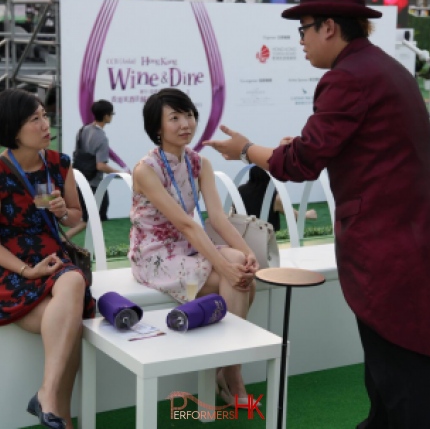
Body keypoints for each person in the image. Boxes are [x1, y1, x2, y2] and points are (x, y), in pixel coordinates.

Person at [204, 0, 430, 427]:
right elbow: (354, 148)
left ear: (329, 27)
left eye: (303, 28)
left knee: (402, 388)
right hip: (408, 245)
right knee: (390, 388)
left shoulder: (346, 78)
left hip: (388, 256)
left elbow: (300, 163)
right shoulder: (383, 68)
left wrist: (247, 151)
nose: (301, 40)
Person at [129, 88, 259, 405]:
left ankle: (226, 369)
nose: (186, 123)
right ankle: (233, 377)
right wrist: (227, 266)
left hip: (190, 247)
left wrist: (248, 253)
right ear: (158, 128)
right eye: (175, 117)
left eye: (188, 115)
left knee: (240, 268)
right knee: (235, 279)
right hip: (155, 255)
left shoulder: (200, 163)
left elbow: (217, 218)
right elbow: (186, 223)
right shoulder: (146, 169)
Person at [0, 89, 95, 429]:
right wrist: (27, 270)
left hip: (53, 258)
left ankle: (48, 397)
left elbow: (75, 216)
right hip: (12, 265)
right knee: (69, 316)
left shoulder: (58, 164)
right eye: (34, 119)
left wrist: (62, 211)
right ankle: (58, 412)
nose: (45, 124)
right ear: (13, 130)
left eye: (44, 115)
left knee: (71, 283)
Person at [67, 99, 122, 238]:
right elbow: (100, 165)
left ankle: (72, 243)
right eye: (111, 114)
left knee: (90, 219)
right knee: (91, 219)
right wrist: (120, 173)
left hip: (79, 178)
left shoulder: (83, 130)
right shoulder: (101, 138)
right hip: (94, 184)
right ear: (106, 116)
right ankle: (63, 240)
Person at [237, 165, 317, 231]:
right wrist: (307, 214)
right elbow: (293, 215)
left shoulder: (240, 190)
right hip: (265, 238)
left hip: (243, 235)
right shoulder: (274, 197)